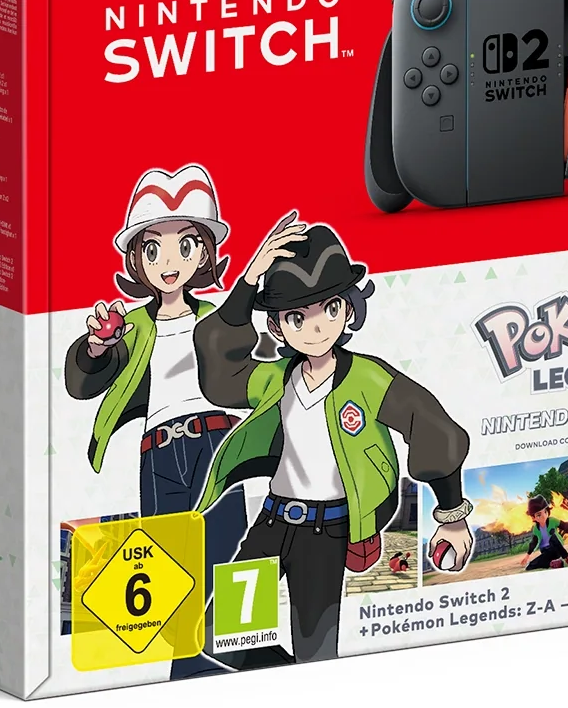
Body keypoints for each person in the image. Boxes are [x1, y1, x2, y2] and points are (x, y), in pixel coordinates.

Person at [194, 212, 474, 663]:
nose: (317, 327)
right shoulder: (274, 379)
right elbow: (221, 372)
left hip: (327, 532)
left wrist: (452, 514)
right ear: (278, 326)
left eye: (330, 309)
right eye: (297, 317)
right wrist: (248, 280)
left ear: (348, 308)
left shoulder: (366, 377)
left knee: (315, 652)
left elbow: (429, 424)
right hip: (272, 523)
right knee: (220, 634)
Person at [64, 164, 247, 677]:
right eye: (153, 249)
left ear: (204, 254)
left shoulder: (215, 317)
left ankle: (203, 658)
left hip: (215, 442)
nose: (169, 263)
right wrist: (98, 345)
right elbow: (82, 383)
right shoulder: (132, 325)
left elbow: (248, 359)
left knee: (225, 542)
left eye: (185, 246)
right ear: (138, 261)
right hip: (159, 453)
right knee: (167, 562)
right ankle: (188, 666)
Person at [522, 494, 568, 570]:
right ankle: (553, 563)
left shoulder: (552, 521)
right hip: (545, 551)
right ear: (533, 517)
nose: (543, 516)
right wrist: (527, 555)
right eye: (539, 515)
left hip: (556, 548)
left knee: (553, 537)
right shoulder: (536, 529)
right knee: (531, 565)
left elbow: (564, 525)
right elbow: (534, 542)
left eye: (545, 512)